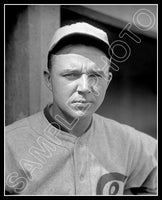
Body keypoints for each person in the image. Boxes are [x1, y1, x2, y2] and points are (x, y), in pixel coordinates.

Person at [5, 22, 157, 195]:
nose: (84, 87)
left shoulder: (128, 141)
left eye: (95, 75)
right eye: (71, 74)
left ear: (107, 80)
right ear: (49, 80)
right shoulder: (10, 144)